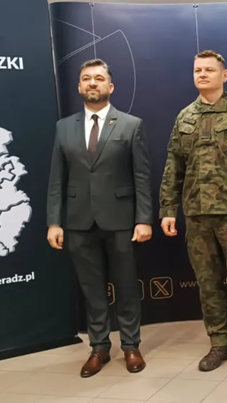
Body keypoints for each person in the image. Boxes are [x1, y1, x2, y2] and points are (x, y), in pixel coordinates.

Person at [159, 50, 227, 373]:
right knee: (207, 284)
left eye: (209, 70)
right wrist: (168, 209)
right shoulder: (185, 117)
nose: (203, 74)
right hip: (197, 216)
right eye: (198, 70)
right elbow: (173, 166)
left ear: (225, 75)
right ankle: (220, 343)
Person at [46, 58, 153, 377]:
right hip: (78, 222)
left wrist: (144, 219)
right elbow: (57, 179)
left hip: (121, 221)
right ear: (79, 86)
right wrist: (54, 222)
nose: (92, 83)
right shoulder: (64, 127)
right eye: (86, 78)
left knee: (126, 287)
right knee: (91, 289)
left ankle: (131, 345)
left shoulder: (131, 125)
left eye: (99, 78)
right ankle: (99, 348)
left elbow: (142, 176)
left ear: (111, 86)